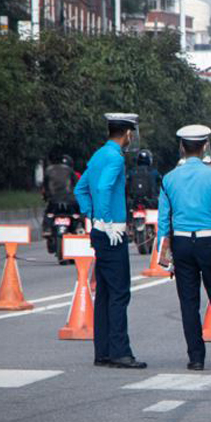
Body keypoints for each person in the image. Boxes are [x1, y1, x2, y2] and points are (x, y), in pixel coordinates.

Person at [157, 125, 211, 372]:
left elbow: (163, 219)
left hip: (182, 243)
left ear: (182, 147)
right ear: (204, 147)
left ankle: (196, 358)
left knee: (188, 302)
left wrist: (164, 249)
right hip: (210, 242)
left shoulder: (169, 178)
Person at [75, 113, 147, 370]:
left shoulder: (97, 156)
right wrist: (106, 220)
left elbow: (80, 189)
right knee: (119, 293)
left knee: (105, 293)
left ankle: (103, 352)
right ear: (128, 134)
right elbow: (105, 188)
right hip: (111, 231)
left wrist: (91, 215)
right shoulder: (115, 158)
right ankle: (120, 352)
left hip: (99, 230)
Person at [41, 155, 81, 237]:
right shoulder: (71, 172)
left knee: (48, 214)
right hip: (70, 201)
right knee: (78, 214)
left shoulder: (49, 170)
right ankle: (78, 227)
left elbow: (45, 187)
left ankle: (47, 229)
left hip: (54, 201)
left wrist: (46, 197)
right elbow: (78, 187)